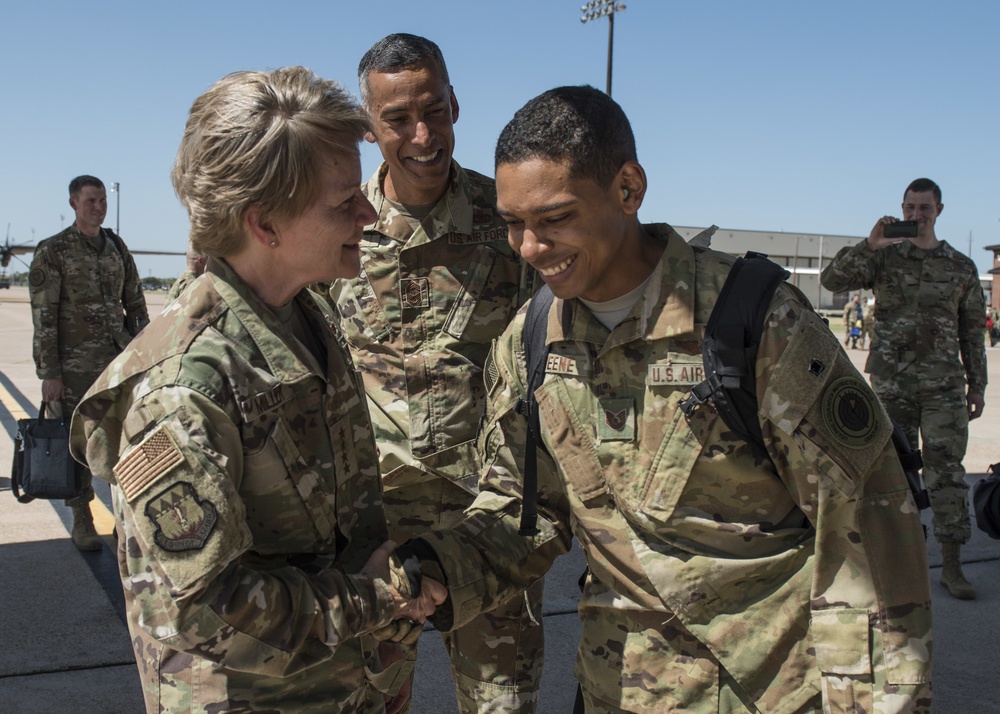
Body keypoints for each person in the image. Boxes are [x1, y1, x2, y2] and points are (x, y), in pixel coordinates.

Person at [394, 86, 933, 712]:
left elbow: (866, 528)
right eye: (514, 224)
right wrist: (437, 565)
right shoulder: (532, 339)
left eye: (555, 218)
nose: (530, 249)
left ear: (628, 189)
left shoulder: (752, 321)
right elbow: (526, 511)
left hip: (767, 693)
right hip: (615, 691)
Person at [69, 67, 445, 713]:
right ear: (263, 224)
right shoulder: (184, 387)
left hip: (346, 684)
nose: (368, 212)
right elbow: (211, 613)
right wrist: (384, 597)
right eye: (341, 203)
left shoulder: (303, 316)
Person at [327, 33, 543, 712]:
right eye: (398, 120)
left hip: (486, 529)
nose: (422, 135)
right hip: (374, 540)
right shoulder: (338, 232)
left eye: (435, 112)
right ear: (370, 128)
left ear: (454, 104)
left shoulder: (508, 225)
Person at [821, 177, 988, 601]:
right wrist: (871, 245)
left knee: (947, 474)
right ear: (901, 207)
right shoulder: (885, 258)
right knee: (889, 476)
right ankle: (894, 564)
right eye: (910, 208)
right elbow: (831, 280)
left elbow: (972, 334)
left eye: (925, 208)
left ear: (939, 210)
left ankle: (951, 566)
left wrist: (978, 385)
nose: (916, 216)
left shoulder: (961, 267)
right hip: (891, 385)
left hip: (944, 388)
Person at [28, 175, 149, 550]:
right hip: (74, 366)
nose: (98, 207)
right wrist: (50, 374)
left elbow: (135, 301)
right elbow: (44, 316)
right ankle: (82, 519)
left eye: (102, 201)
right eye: (90, 201)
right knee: (76, 443)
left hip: (116, 362)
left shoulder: (115, 246)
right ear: (73, 204)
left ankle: (124, 522)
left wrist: (145, 351)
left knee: (122, 441)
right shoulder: (54, 251)